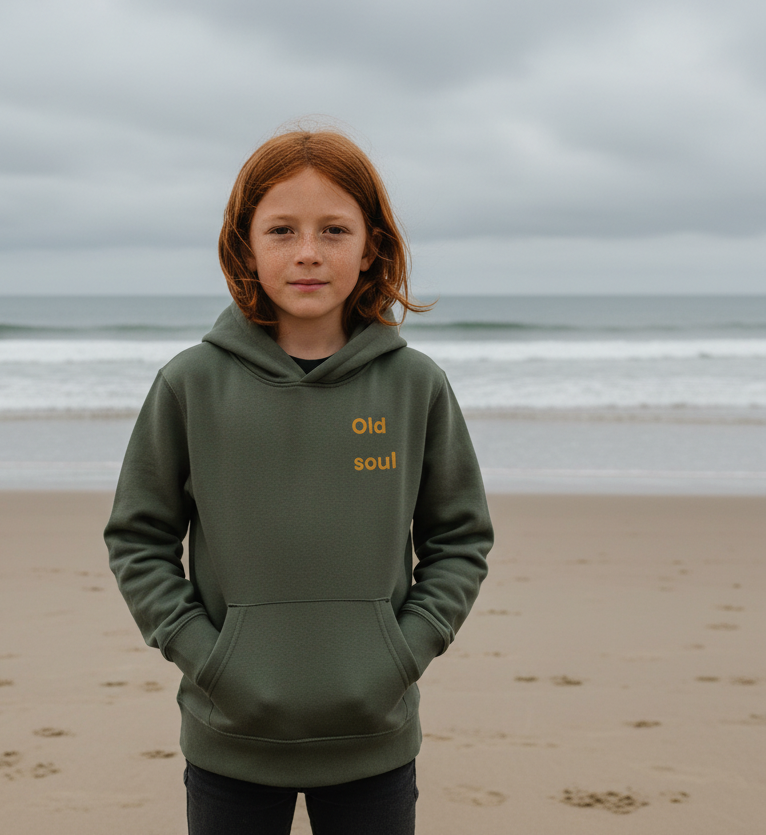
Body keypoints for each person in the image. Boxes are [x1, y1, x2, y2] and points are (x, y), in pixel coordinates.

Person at [104, 128, 493, 835]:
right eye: (282, 230)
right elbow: (138, 539)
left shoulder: (416, 386)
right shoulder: (191, 384)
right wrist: (209, 659)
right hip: (230, 736)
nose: (308, 252)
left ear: (371, 246)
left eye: (334, 230)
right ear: (245, 246)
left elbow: (460, 539)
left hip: (374, 735)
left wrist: (402, 653)